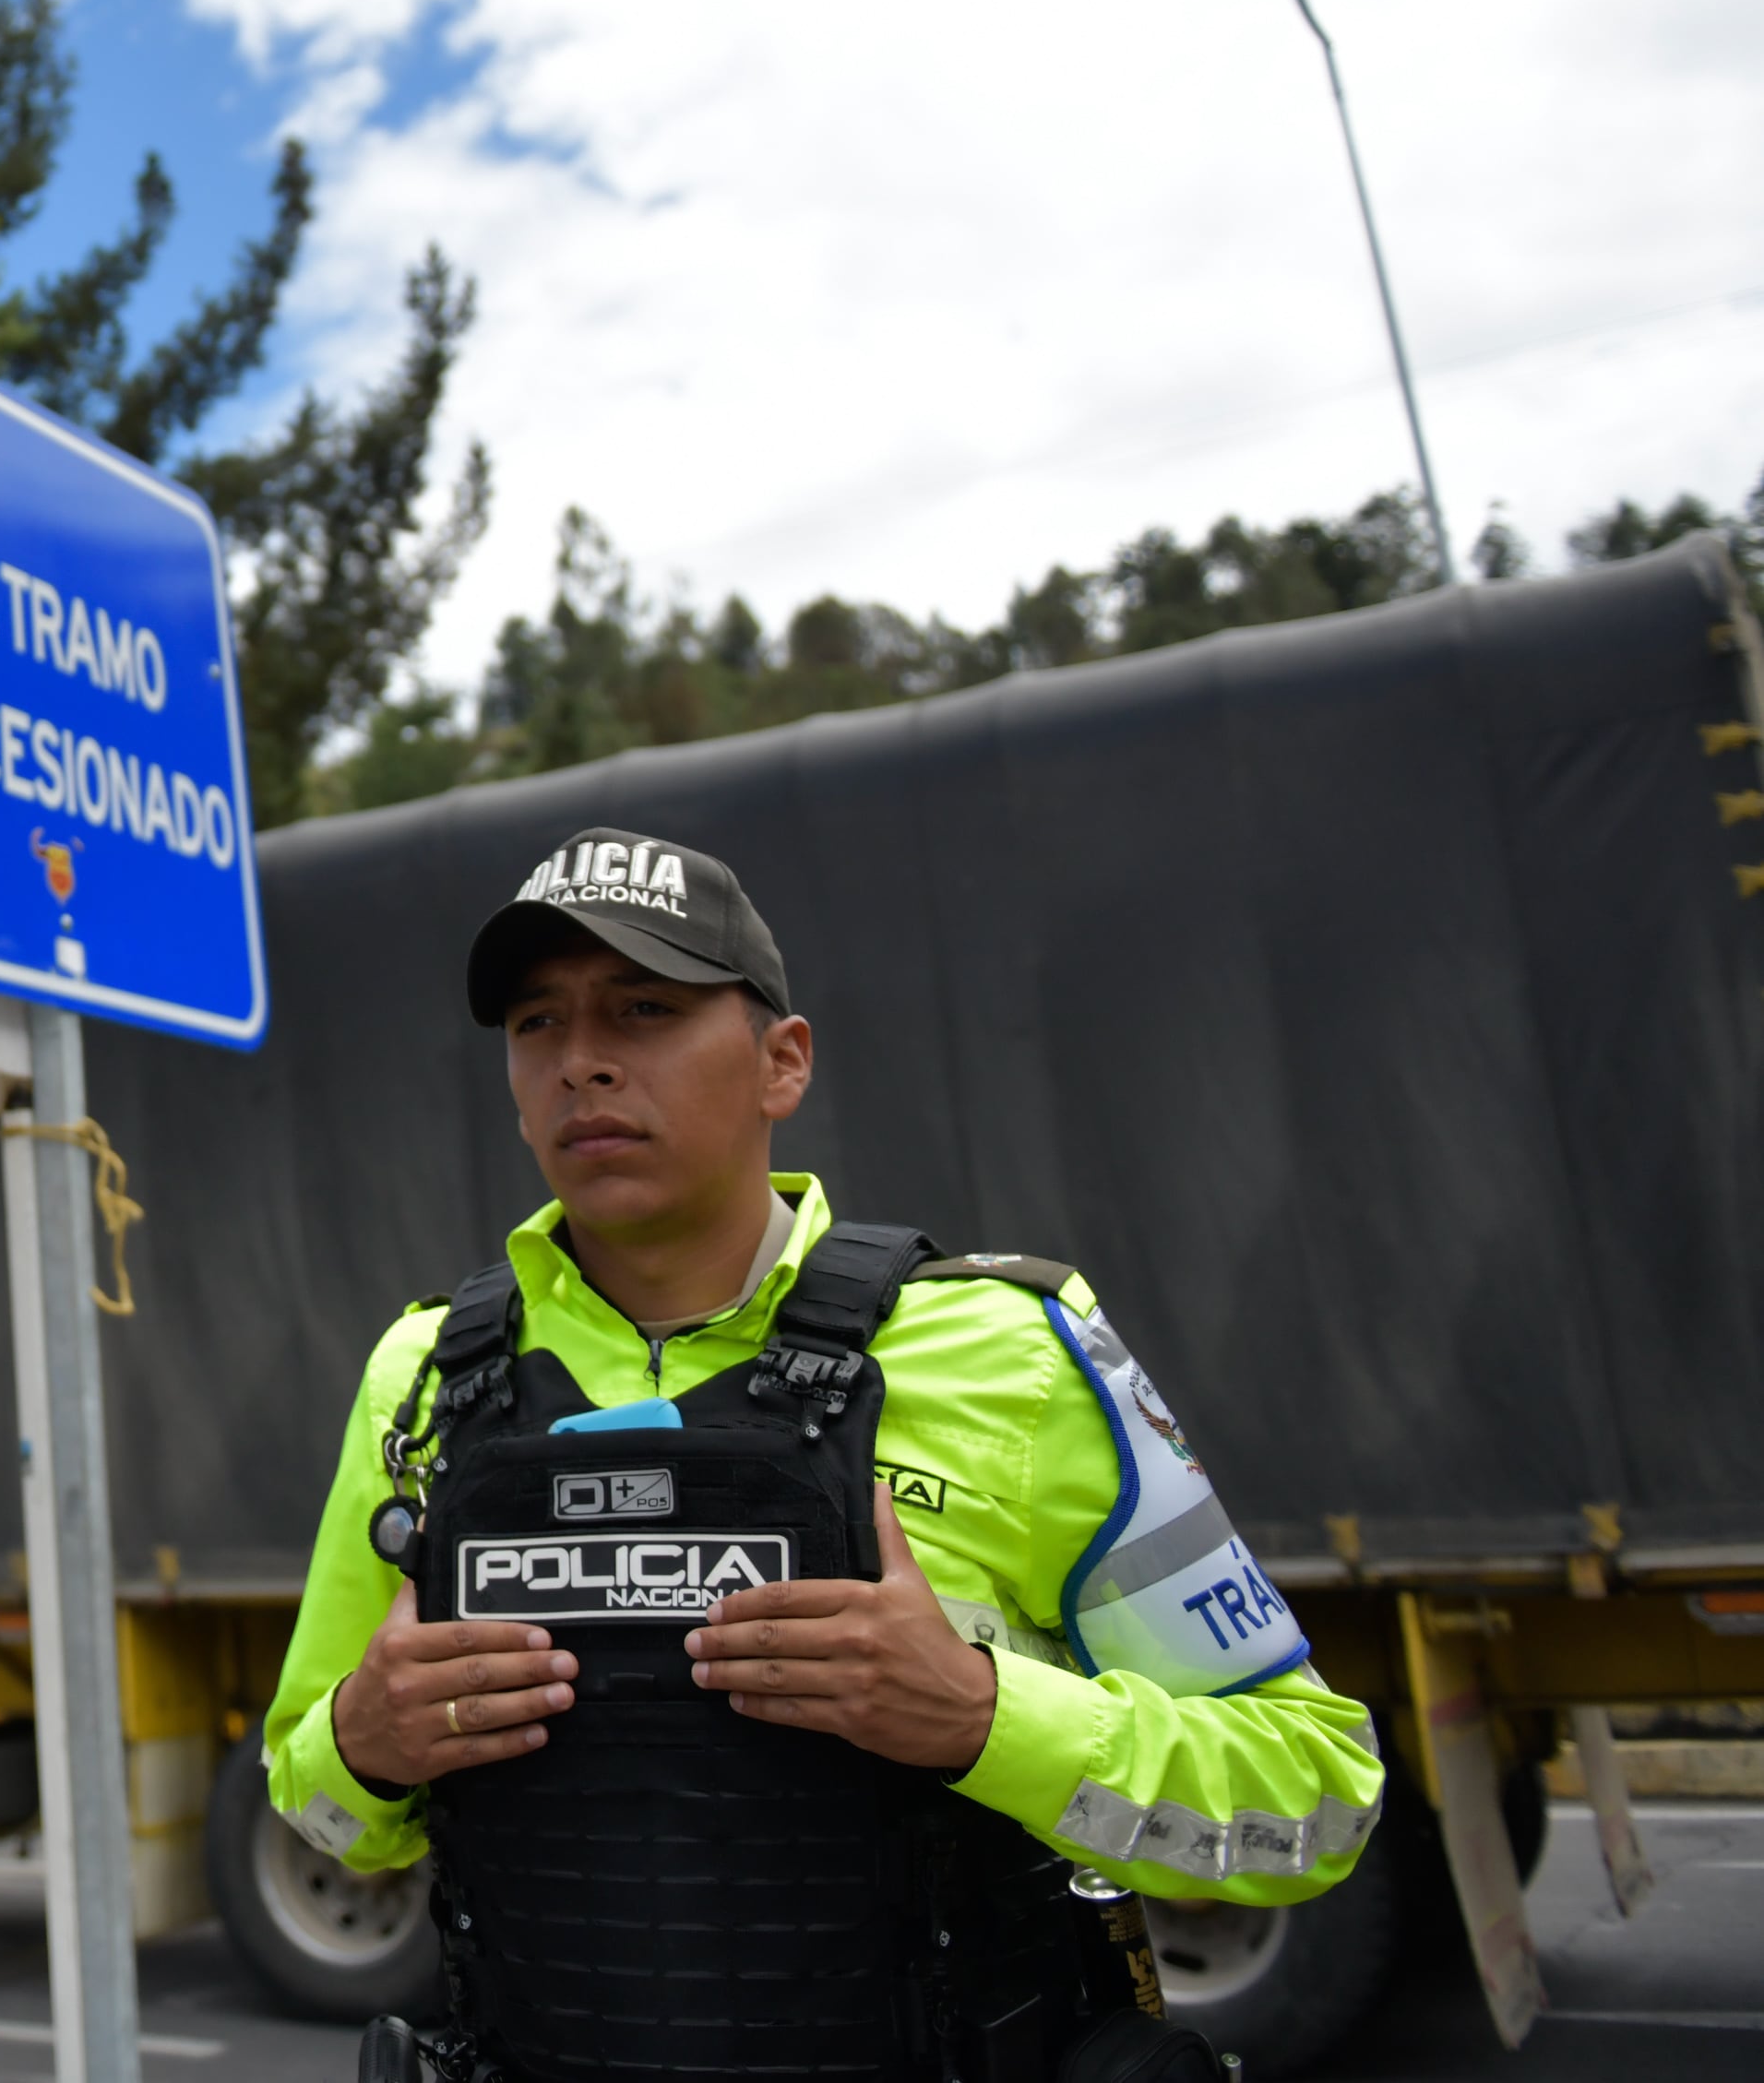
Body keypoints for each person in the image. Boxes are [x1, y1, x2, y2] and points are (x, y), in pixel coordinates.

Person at [262, 826, 1386, 2083]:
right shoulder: (418, 1377)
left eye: (644, 1009)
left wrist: (979, 1716)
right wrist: (363, 1742)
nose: (583, 1063)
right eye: (538, 1024)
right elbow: (315, 1800)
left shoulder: (1014, 1351)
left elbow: (1316, 1796)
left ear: (780, 1062)